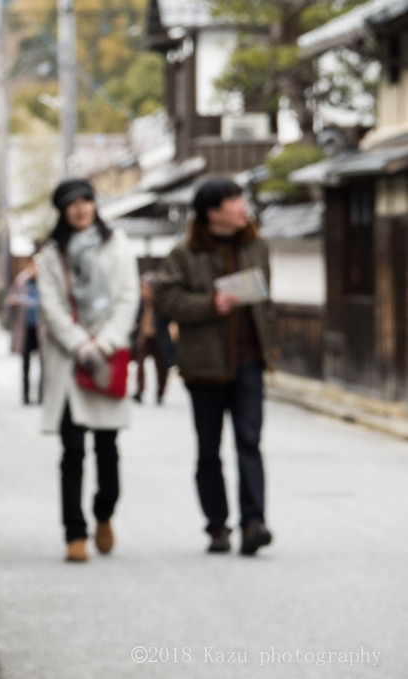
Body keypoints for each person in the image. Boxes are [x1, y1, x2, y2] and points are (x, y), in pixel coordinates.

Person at [154, 177, 276, 556]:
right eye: (234, 200)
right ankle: (216, 526)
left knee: (249, 443)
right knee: (209, 449)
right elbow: (167, 299)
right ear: (213, 212)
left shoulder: (256, 245)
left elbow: (264, 294)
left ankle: (253, 523)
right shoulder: (184, 252)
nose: (242, 206)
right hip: (203, 365)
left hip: (249, 362)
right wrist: (210, 304)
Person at [36, 177, 139, 563]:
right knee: (73, 450)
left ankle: (104, 513)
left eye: (86, 201)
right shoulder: (51, 255)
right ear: (63, 211)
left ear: (95, 205)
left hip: (107, 357)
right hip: (70, 359)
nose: (81, 209)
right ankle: (74, 533)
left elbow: (128, 299)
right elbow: (52, 308)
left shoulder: (119, 245)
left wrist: (104, 344)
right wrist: (81, 345)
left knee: (108, 449)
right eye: (72, 204)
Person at [129, 271, 176, 405]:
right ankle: (139, 391)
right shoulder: (140, 303)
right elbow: (135, 318)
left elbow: (169, 319)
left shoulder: (161, 304)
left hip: (159, 337)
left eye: (146, 288)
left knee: (161, 366)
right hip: (143, 337)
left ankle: (160, 393)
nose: (143, 291)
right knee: (140, 364)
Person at [6, 260, 43, 404]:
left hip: (42, 331)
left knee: (44, 365)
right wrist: (13, 302)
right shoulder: (22, 280)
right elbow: (10, 297)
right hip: (26, 328)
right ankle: (26, 396)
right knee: (26, 364)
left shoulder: (46, 281)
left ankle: (41, 396)